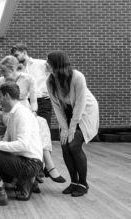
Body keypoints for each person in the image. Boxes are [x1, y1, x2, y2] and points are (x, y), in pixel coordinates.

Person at [0, 55, 66, 186]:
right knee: (34, 126)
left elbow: (33, 102)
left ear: (12, 69)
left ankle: (46, 166)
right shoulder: (0, 81)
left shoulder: (28, 79)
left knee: (42, 123)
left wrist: (33, 113)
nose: (1, 74)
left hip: (27, 112)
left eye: (3, 71)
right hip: (10, 114)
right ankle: (43, 169)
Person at [0, 82, 43, 206]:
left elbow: (23, 144)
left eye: (0, 96)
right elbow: (5, 142)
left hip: (31, 163)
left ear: (6, 96)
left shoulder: (22, 114)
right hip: (22, 160)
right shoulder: (12, 114)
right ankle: (24, 181)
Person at [46, 51, 99, 197]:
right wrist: (63, 128)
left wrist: (72, 128)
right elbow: (57, 107)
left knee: (74, 144)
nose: (46, 64)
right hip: (68, 112)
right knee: (64, 144)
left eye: (48, 61)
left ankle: (83, 183)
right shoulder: (50, 81)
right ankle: (74, 182)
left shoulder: (77, 77)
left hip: (86, 111)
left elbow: (80, 104)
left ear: (57, 64)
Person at [10, 43, 53, 126]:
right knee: (28, 129)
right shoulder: (16, 70)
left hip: (42, 101)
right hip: (25, 102)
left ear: (24, 52)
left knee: (44, 128)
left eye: (16, 55)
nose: (15, 58)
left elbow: (56, 77)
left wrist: (52, 93)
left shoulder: (41, 64)